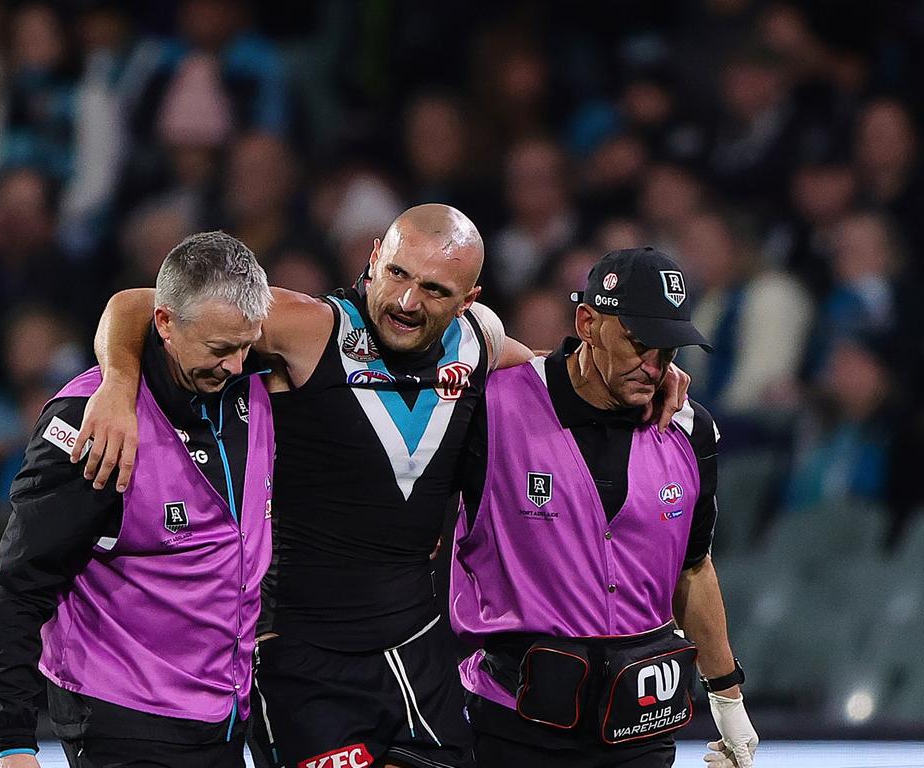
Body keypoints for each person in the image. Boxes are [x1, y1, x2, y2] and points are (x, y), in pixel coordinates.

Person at [80, 205, 689, 768]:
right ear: (373, 258)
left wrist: (648, 372)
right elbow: (141, 303)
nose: (405, 299)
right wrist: (115, 384)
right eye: (397, 272)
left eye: (434, 289)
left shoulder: (476, 340)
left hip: (417, 646)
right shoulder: (309, 328)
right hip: (301, 649)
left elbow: (556, 377)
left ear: (468, 298)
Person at [451, 247, 758, 768]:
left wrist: (727, 698)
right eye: (639, 343)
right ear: (588, 323)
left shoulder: (692, 430)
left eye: (669, 349)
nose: (655, 366)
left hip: (640, 728)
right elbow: (434, 331)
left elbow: (695, 568)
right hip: (514, 727)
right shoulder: (491, 408)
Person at [0, 232, 275, 768]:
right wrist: (14, 740)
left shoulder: (250, 382)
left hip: (226, 718)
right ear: (164, 324)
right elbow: (21, 585)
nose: (236, 365)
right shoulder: (90, 423)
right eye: (218, 350)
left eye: (245, 346)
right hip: (123, 719)